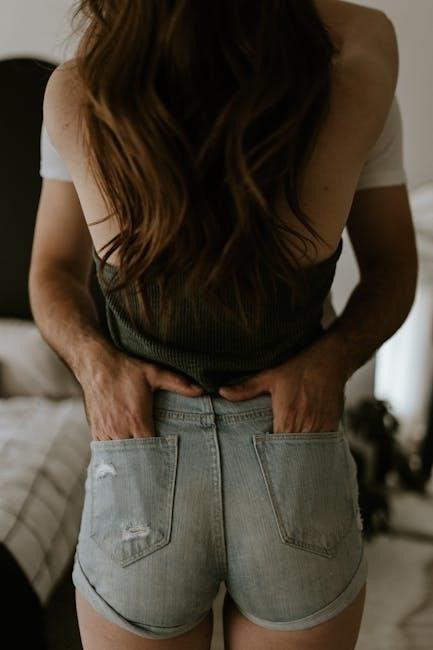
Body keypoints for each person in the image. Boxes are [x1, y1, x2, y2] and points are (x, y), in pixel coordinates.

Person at [30, 2, 418, 649]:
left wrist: (96, 367)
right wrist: (333, 359)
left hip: (142, 445)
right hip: (290, 439)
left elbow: (50, 269)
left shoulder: (76, 95)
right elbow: (393, 264)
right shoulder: (356, 74)